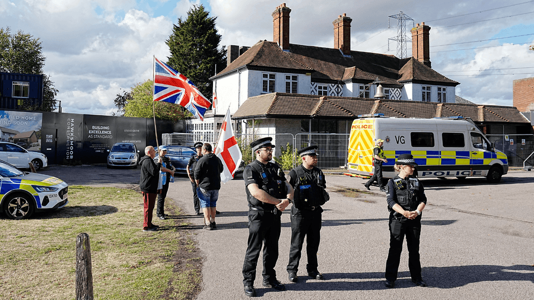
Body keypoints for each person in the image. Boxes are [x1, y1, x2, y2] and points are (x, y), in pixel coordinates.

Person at [242, 137, 294, 297]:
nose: (271, 152)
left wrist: (288, 200)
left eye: (271, 149)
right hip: (259, 214)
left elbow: (289, 186)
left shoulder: (275, 168)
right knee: (254, 250)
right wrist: (278, 202)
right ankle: (248, 282)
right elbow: (256, 192)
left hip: (274, 215)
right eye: (267, 150)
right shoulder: (251, 169)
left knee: (272, 249)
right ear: (258, 152)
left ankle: (269, 278)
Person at [286, 145, 329, 283]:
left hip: (315, 212)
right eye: (312, 157)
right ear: (304, 158)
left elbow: (322, 190)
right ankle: (292, 270)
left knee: (313, 243)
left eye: (316, 156)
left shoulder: (318, 172)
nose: (315, 159)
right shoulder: (295, 173)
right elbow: (287, 190)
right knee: (296, 244)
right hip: (300, 213)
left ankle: (312, 269)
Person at [384, 153, 427, 288]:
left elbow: (423, 199)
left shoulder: (416, 181)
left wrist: (417, 211)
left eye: (413, 166)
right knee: (395, 249)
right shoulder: (392, 182)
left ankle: (417, 278)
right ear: (402, 166)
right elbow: (391, 201)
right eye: (410, 166)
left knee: (414, 249)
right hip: (398, 220)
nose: (413, 168)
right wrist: (404, 212)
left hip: (414, 220)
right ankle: (390, 278)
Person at [194, 143, 223, 230]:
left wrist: (197, 183)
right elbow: (221, 169)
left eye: (202, 149)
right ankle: (213, 221)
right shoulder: (217, 159)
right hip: (215, 185)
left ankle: (208, 223)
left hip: (205, 186)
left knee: (205, 204)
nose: (201, 151)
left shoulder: (202, 160)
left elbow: (196, 173)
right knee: (213, 204)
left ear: (205, 150)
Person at [139, 146, 161, 232]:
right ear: (149, 152)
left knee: (150, 207)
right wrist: (158, 164)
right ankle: (146, 226)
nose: (155, 152)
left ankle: (149, 223)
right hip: (148, 188)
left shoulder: (149, 160)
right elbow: (154, 172)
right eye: (153, 151)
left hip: (150, 187)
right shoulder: (147, 161)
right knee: (148, 207)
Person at [155, 145, 175, 220]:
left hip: (166, 180)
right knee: (160, 197)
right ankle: (159, 213)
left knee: (163, 197)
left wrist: (173, 169)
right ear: (159, 150)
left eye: (165, 151)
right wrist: (170, 171)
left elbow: (170, 166)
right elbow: (161, 168)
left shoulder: (166, 159)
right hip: (160, 181)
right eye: (163, 150)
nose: (164, 152)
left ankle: (161, 212)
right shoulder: (157, 159)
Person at [187, 142, 204, 215]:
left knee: (205, 193)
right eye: (198, 148)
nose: (199, 150)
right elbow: (187, 167)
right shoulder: (193, 158)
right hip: (194, 178)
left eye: (200, 148)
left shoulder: (204, 157)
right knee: (196, 194)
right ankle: (197, 209)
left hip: (203, 179)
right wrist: (189, 176)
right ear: (196, 149)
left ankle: (207, 209)